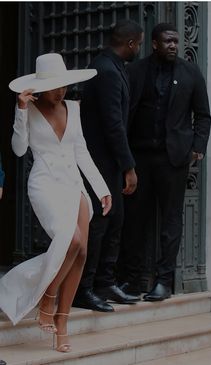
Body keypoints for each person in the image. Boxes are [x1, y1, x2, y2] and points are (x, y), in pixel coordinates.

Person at [0, 53, 112, 352]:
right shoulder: (29, 110)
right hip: (45, 185)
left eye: (63, 85)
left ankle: (62, 323)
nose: (60, 91)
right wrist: (21, 110)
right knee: (71, 241)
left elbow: (81, 152)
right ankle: (47, 296)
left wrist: (101, 188)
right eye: (53, 87)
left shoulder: (73, 109)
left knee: (82, 251)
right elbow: (20, 150)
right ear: (39, 87)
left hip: (74, 186)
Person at [117, 23, 211, 300]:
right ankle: (132, 280)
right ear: (154, 44)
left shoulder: (191, 72)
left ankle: (164, 282)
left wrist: (197, 146)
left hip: (174, 159)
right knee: (135, 221)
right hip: (139, 158)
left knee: (171, 221)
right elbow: (124, 112)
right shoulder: (135, 71)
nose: (173, 45)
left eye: (176, 41)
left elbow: (203, 115)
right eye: (167, 41)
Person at [73, 20, 144, 312]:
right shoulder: (105, 70)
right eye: (138, 43)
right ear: (130, 43)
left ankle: (105, 282)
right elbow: (113, 124)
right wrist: (129, 166)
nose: (138, 49)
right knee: (100, 225)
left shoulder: (113, 66)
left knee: (115, 222)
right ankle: (83, 289)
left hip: (110, 163)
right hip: (100, 162)